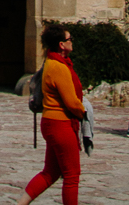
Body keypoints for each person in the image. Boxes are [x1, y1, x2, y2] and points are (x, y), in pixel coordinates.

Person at [17, 23, 85, 205]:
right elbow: (71, 102)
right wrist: (84, 112)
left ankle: (21, 203)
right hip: (61, 125)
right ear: (62, 44)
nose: (72, 42)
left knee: (50, 172)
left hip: (50, 122)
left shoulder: (51, 62)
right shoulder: (59, 67)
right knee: (72, 175)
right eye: (70, 39)